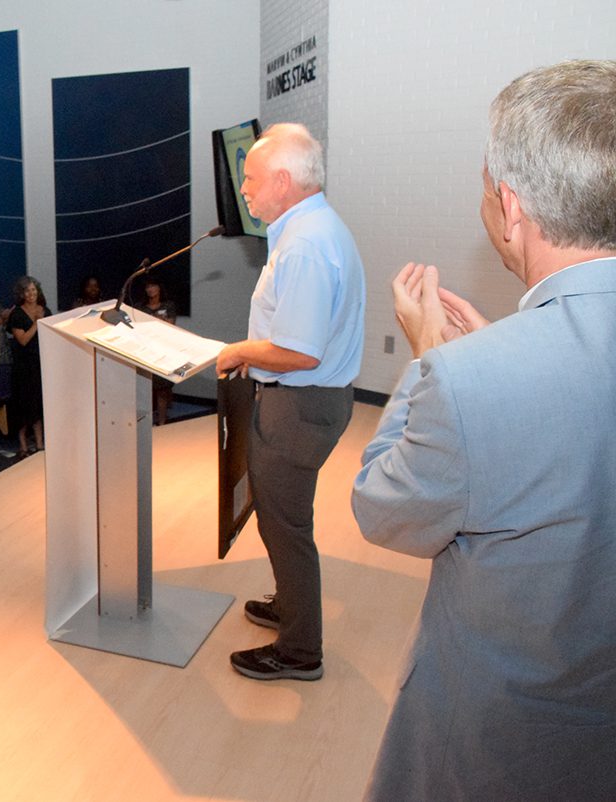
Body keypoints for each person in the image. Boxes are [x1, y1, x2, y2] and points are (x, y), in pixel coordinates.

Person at [352, 59, 616, 800]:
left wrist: (436, 364)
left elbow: (383, 506)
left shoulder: (469, 378)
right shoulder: (491, 370)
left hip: (501, 748)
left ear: (511, 206)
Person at [215, 122, 365, 681]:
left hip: (298, 407)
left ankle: (300, 650)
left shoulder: (304, 244)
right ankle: (289, 606)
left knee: (284, 526)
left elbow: (299, 352)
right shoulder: (314, 227)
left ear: (283, 180)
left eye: (250, 180)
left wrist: (240, 350)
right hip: (311, 402)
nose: (245, 191)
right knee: (281, 518)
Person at [7, 276, 48, 457]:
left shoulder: (44, 310)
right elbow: (22, 340)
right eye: (27, 291)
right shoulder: (16, 314)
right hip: (23, 366)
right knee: (24, 405)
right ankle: (23, 445)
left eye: (34, 290)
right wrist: (37, 323)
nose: (31, 294)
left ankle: (40, 444)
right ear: (22, 294)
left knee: (38, 404)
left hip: (40, 363)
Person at [135, 277, 178, 425]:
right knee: (144, 388)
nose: (150, 289)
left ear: (159, 287)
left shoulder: (169, 305)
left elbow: (170, 325)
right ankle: (144, 424)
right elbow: (139, 327)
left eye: (153, 286)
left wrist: (154, 321)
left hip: (163, 349)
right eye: (147, 287)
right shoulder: (140, 307)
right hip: (145, 350)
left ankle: (162, 423)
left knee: (162, 389)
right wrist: (157, 319)